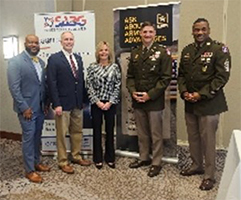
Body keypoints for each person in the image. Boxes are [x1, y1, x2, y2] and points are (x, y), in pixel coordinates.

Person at [178, 18, 231, 190]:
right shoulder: (187, 51)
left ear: (209, 30)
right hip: (190, 103)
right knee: (193, 137)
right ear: (192, 31)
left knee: (208, 140)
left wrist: (200, 94)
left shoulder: (218, 49)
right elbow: (181, 76)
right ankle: (196, 165)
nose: (199, 33)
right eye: (196, 30)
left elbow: (221, 77)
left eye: (203, 29)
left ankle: (209, 175)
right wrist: (184, 92)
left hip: (209, 103)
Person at [126, 21, 172, 177]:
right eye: (144, 31)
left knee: (156, 133)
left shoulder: (162, 52)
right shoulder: (135, 52)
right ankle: (144, 157)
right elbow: (130, 76)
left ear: (155, 34)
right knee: (142, 132)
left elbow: (165, 78)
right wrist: (133, 91)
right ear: (140, 33)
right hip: (138, 100)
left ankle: (156, 162)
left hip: (154, 100)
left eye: (150, 32)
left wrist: (150, 95)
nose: (147, 35)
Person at [7, 34, 50, 183]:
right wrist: (24, 107)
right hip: (27, 110)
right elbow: (14, 88)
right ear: (25, 44)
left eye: (36, 42)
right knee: (29, 138)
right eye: (31, 42)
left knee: (37, 137)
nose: (34, 45)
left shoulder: (41, 62)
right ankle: (29, 170)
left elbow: (42, 86)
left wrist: (45, 104)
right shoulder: (16, 62)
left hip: (40, 108)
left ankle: (36, 162)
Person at [46, 31, 91, 174]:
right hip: (62, 104)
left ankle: (76, 156)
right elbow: (51, 83)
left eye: (71, 39)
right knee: (61, 134)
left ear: (74, 41)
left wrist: (83, 100)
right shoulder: (54, 59)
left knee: (77, 131)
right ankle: (63, 161)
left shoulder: (78, 58)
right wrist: (56, 103)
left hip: (77, 103)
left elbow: (80, 81)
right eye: (66, 39)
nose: (69, 42)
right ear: (61, 42)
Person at [86, 41, 121, 169]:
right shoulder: (92, 67)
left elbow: (117, 85)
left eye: (106, 50)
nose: (103, 52)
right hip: (97, 104)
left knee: (110, 131)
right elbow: (89, 86)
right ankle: (97, 158)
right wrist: (98, 102)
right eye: (101, 50)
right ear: (97, 53)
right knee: (97, 131)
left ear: (109, 52)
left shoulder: (115, 67)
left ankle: (110, 157)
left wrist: (110, 102)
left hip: (111, 104)